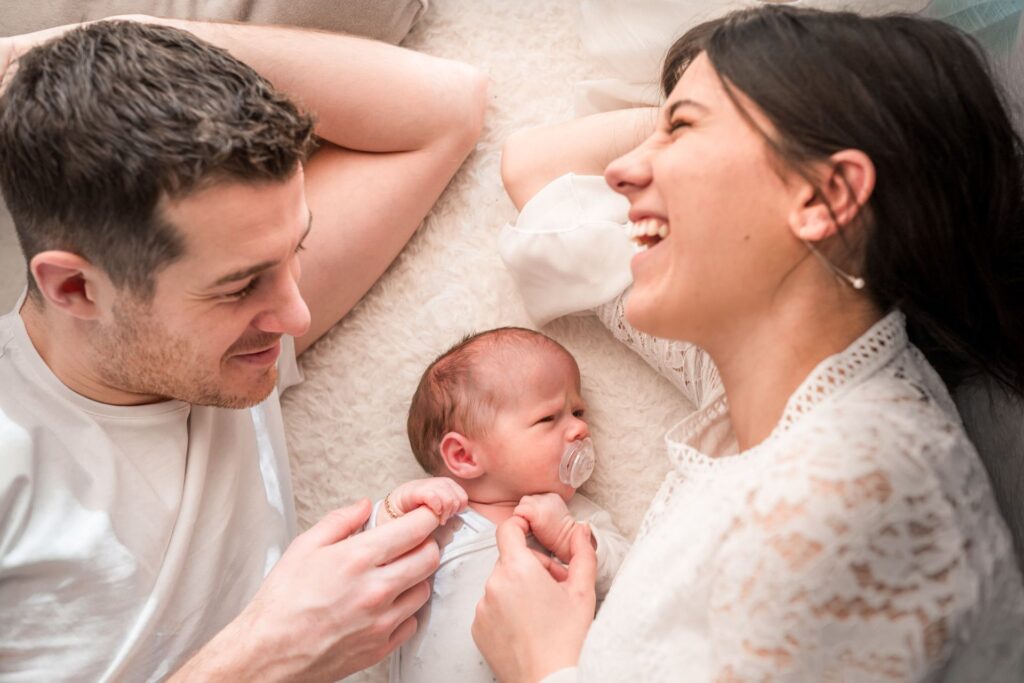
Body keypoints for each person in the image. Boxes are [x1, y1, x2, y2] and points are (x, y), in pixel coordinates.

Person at [475, 6, 1024, 682]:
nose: (619, 171)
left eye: (679, 129)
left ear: (824, 199)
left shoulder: (857, 494)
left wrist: (539, 661)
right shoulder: (751, 370)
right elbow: (534, 167)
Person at [0, 14, 485, 682]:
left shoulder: (231, 319)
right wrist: (267, 655)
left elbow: (446, 108)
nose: (297, 312)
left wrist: (101, 47)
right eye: (239, 287)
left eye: (298, 251)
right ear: (77, 288)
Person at [369, 327, 628, 682]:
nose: (580, 430)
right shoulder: (439, 522)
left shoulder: (575, 518)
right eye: (549, 418)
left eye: (579, 412)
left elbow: (630, 578)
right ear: (463, 455)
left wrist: (572, 539)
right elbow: (363, 572)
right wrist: (391, 512)